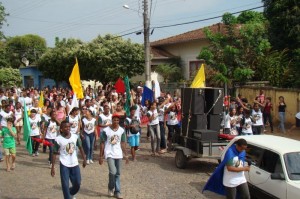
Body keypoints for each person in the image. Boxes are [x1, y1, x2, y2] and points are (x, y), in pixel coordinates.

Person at [51, 121, 87, 199]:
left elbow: (80, 147)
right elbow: (54, 153)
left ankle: (71, 192)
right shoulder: (58, 139)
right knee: (65, 184)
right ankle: (67, 197)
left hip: (74, 163)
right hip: (64, 164)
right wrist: (52, 167)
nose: (67, 128)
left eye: (68, 127)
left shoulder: (75, 137)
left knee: (77, 183)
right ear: (61, 129)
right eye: (65, 127)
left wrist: (84, 159)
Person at [99, 114, 129, 199]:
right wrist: (100, 156)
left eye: (117, 120)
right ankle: (110, 187)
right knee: (113, 172)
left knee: (118, 173)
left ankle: (117, 191)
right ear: (112, 120)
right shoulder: (106, 130)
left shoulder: (121, 130)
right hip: (109, 153)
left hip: (118, 154)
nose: (116, 122)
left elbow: (123, 143)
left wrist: (126, 155)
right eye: (114, 120)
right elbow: (102, 143)